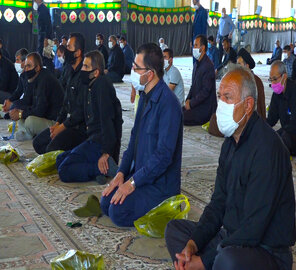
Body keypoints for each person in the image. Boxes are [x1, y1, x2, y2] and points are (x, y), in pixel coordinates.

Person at [165, 65, 296, 270]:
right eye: (219, 97)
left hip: (265, 249)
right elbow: (218, 202)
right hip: (231, 235)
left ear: (248, 105)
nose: (221, 105)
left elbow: (254, 227)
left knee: (226, 261)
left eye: (228, 98)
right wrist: (193, 244)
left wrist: (205, 260)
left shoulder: (267, 149)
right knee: (175, 231)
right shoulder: (230, 142)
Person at [100, 43, 183, 227]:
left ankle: (166, 208)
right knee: (106, 202)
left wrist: (132, 183)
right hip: (141, 175)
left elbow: (163, 157)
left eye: (136, 68)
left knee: (117, 212)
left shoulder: (169, 105)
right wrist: (121, 174)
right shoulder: (145, 96)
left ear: (150, 74)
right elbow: (133, 143)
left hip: (161, 184)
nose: (132, 71)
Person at [56, 50, 123, 183]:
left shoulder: (102, 85)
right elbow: (81, 111)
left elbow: (108, 121)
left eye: (86, 67)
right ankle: (98, 171)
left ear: (96, 72)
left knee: (64, 170)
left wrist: (106, 152)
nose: (82, 69)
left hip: (100, 143)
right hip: (91, 139)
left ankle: (103, 168)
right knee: (60, 159)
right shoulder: (90, 85)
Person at [33, 33, 87, 154]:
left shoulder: (84, 73)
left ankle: (75, 152)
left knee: (50, 149)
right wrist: (57, 124)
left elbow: (80, 112)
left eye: (68, 47)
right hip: (66, 122)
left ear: (78, 53)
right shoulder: (68, 69)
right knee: (38, 143)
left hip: (80, 127)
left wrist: (61, 128)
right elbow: (65, 102)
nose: (65, 49)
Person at [208, 48, 266, 137]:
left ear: (247, 66)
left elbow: (259, 107)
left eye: (240, 64)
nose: (237, 67)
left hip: (248, 117)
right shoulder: (238, 79)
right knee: (214, 119)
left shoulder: (255, 81)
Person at [9, 52, 64, 141]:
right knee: (20, 115)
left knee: (29, 121)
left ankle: (30, 133)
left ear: (37, 67)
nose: (26, 69)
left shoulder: (45, 79)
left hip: (54, 122)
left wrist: (20, 113)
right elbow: (27, 100)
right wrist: (15, 108)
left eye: (29, 66)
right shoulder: (33, 78)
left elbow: (40, 110)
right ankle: (30, 133)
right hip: (42, 116)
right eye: (25, 66)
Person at [184, 35, 216, 126]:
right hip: (195, 103)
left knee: (180, 116)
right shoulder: (196, 64)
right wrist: (188, 100)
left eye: (195, 45)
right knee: (177, 111)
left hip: (205, 107)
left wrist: (191, 103)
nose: (193, 48)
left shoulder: (208, 66)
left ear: (202, 48)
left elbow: (205, 92)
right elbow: (192, 86)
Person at [2, 48, 29, 113]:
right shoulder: (22, 75)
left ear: (24, 61)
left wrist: (12, 104)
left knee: (14, 106)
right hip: (23, 100)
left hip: (31, 103)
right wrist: (9, 100)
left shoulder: (29, 74)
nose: (15, 63)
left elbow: (27, 98)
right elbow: (18, 91)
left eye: (17, 60)